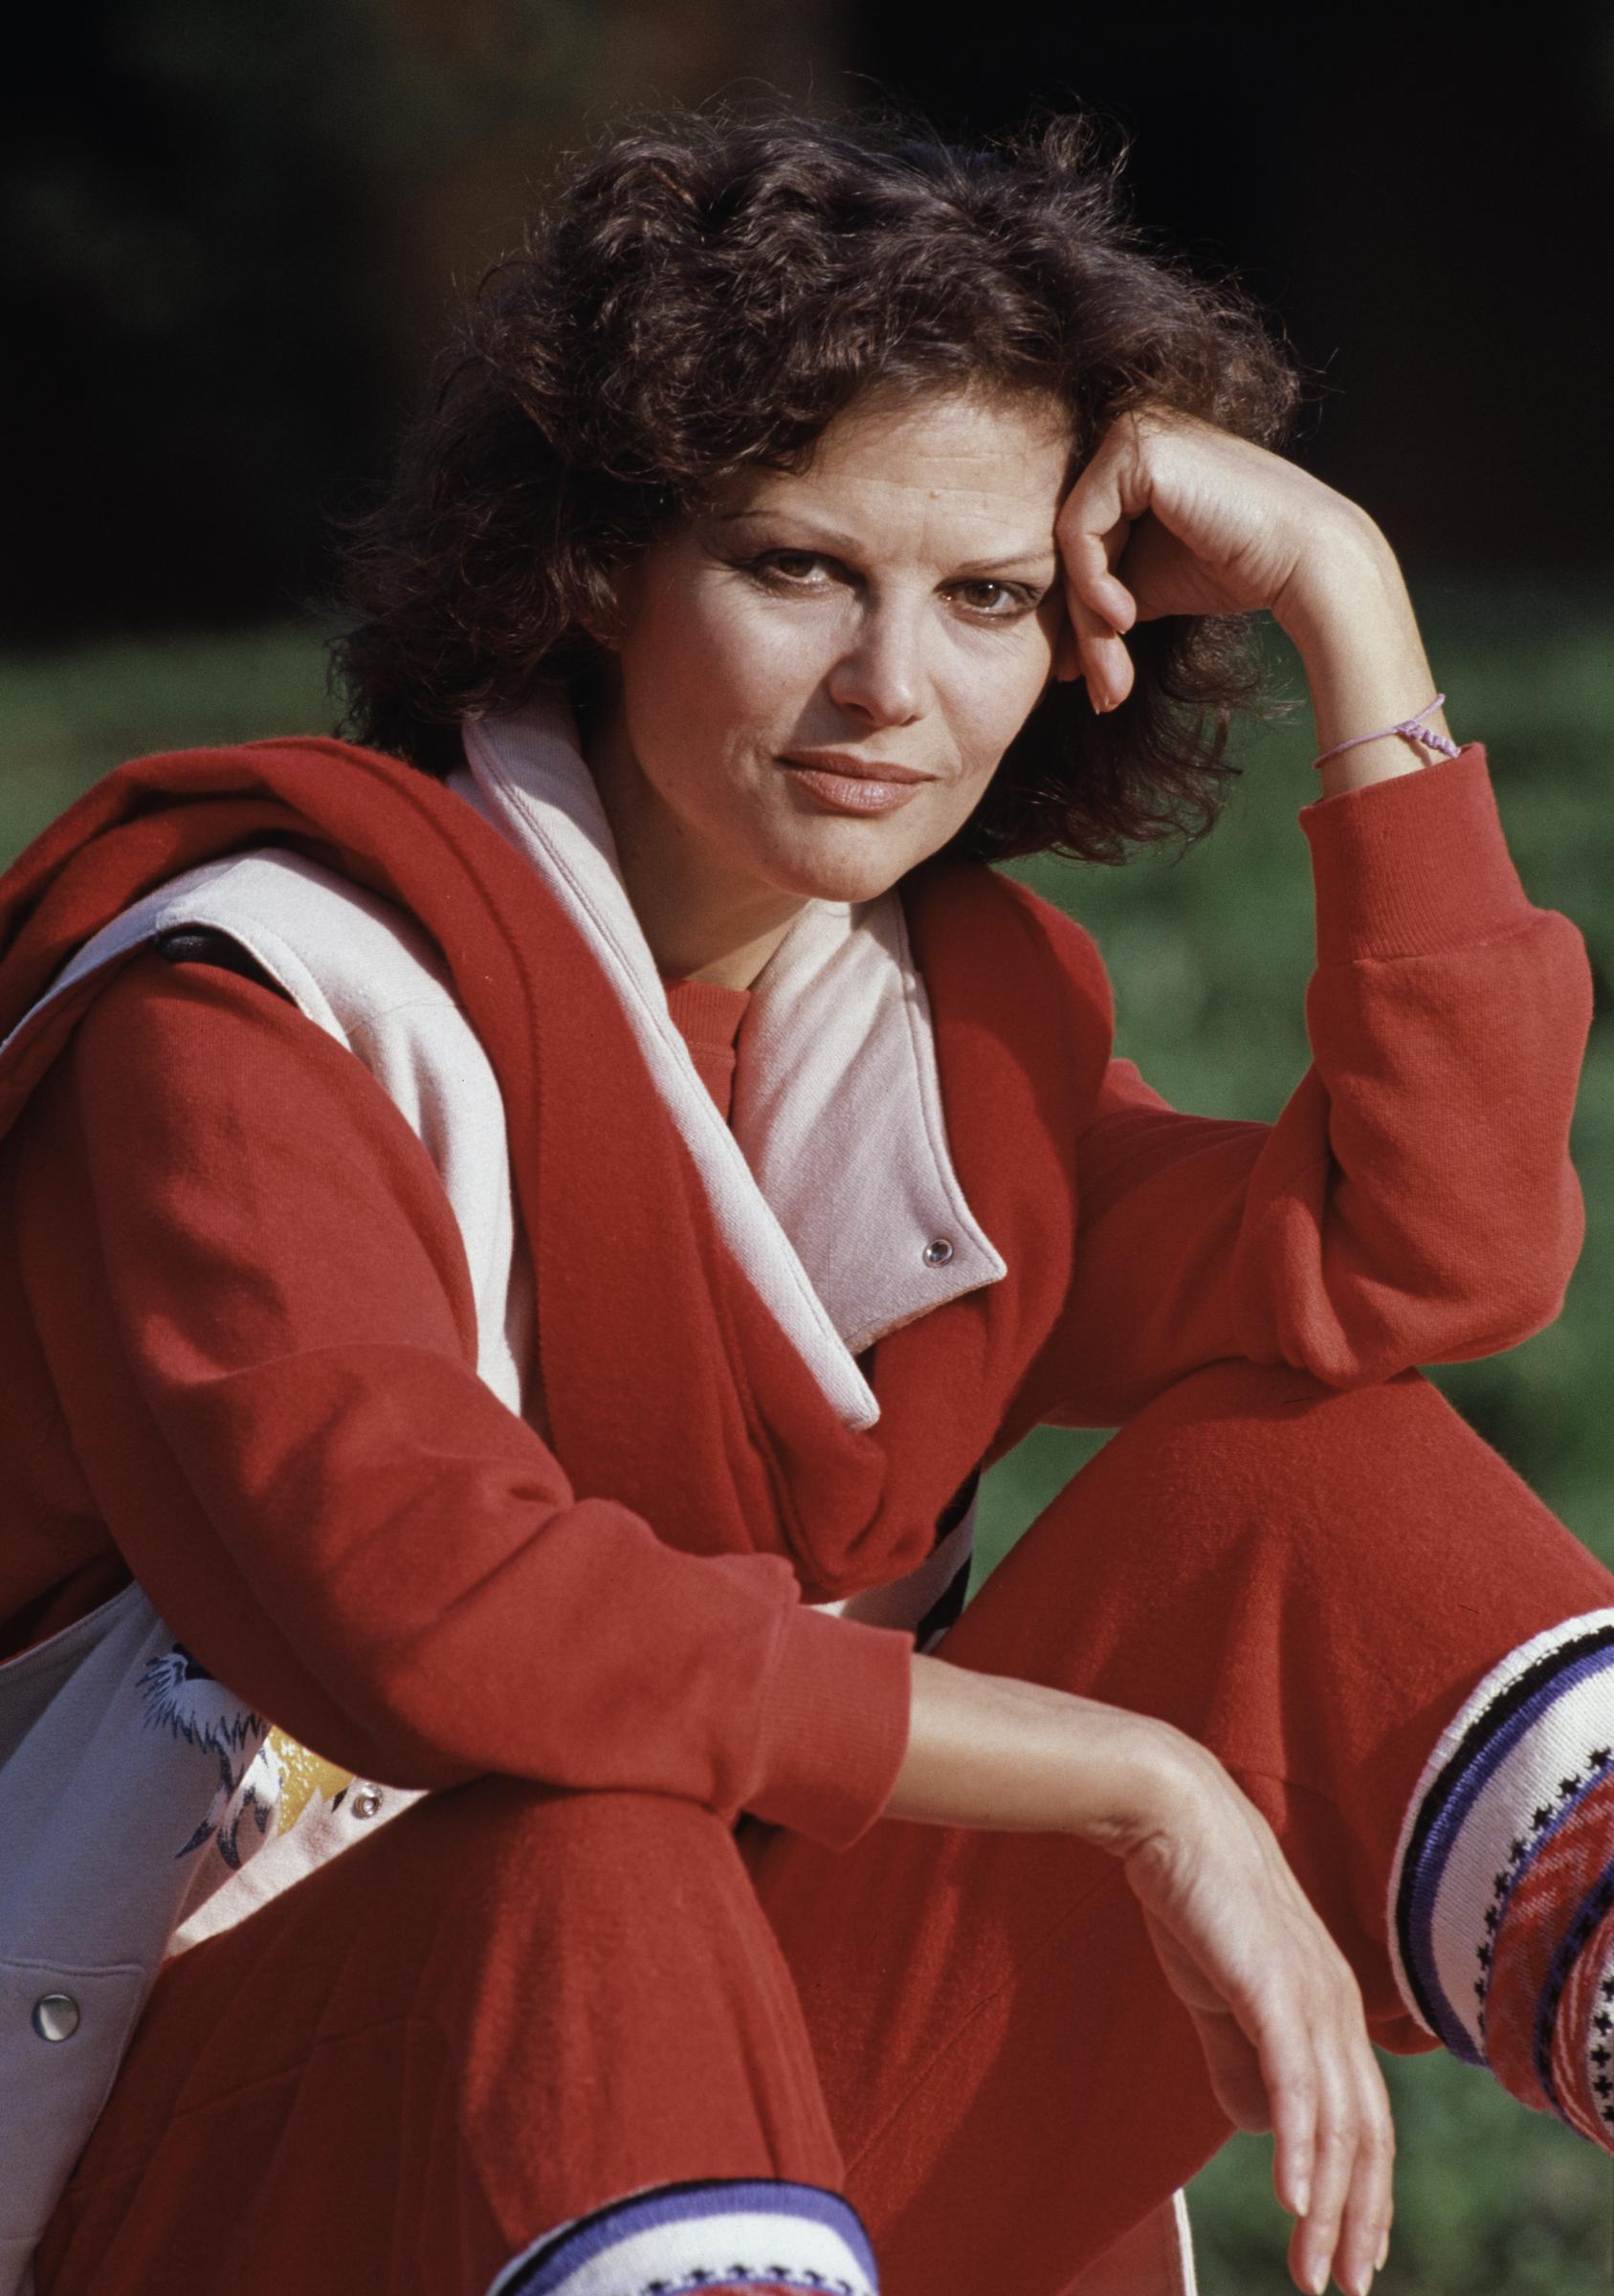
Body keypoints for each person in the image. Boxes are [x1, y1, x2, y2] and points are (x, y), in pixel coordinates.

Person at [0, 102, 1606, 2296]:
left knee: (1304, 1475)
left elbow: (1420, 1260)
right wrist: (1132, 1776)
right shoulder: (247, 1006)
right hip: (190, 2165)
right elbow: (443, 1619)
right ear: (593, 564)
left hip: (734, 2112)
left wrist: (1351, 594)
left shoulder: (940, 1048)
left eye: (987, 599)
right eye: (794, 568)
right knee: (588, 1837)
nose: (891, 691)